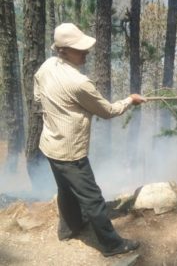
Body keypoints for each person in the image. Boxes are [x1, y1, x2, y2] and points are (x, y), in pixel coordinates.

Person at [34, 23, 145, 256]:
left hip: (50, 145)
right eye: (80, 49)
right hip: (70, 152)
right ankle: (112, 245)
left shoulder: (46, 67)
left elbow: (37, 96)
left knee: (65, 189)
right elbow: (108, 111)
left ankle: (69, 229)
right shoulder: (79, 82)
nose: (86, 52)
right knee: (93, 199)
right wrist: (130, 100)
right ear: (62, 50)